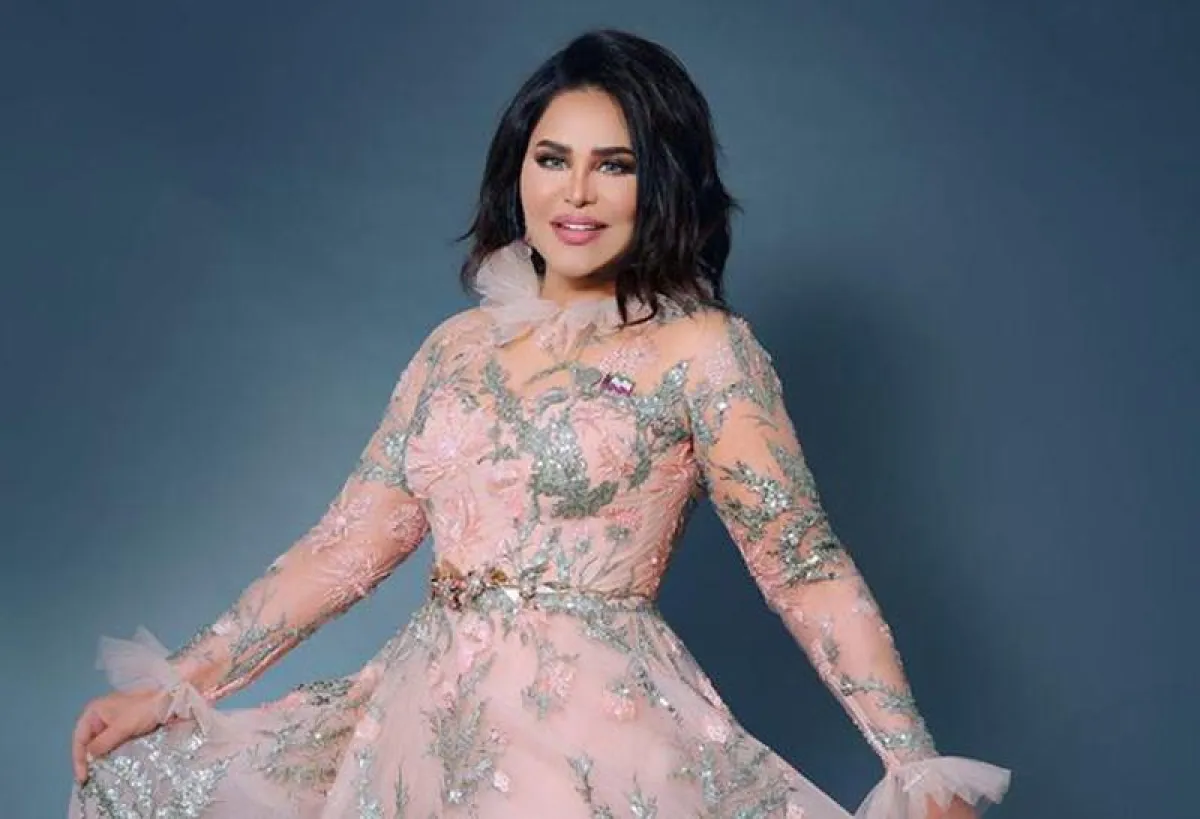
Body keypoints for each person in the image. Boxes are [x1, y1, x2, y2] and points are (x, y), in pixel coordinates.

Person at [68, 28, 1010, 818]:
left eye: (615, 166)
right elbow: (346, 544)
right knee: (142, 780)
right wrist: (179, 681)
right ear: (516, 169)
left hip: (594, 739)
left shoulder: (705, 353)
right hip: (419, 735)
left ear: (662, 183)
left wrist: (913, 763)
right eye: (552, 159)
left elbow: (803, 566)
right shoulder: (454, 349)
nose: (576, 193)